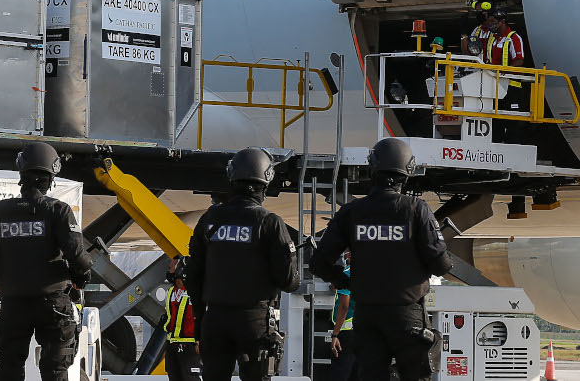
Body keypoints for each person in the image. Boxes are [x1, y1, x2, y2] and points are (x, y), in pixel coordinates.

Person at [311, 138, 453, 381]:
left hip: (367, 315)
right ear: (407, 172)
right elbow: (441, 264)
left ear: (372, 168)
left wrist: (345, 282)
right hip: (407, 314)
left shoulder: (352, 211)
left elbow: (319, 262)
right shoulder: (416, 209)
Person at [0, 142, 93, 381]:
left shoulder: (1, 211)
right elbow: (78, 257)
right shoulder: (58, 210)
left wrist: (6, 283)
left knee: (8, 369)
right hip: (52, 304)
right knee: (55, 371)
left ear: (22, 175)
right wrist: (80, 278)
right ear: (51, 178)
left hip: (13, 305)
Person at [185, 148, 300, 381]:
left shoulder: (210, 219)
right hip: (254, 321)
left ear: (231, 176)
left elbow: (193, 275)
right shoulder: (270, 223)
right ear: (267, 179)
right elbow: (289, 282)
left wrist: (200, 319)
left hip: (214, 319)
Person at [487, 8, 528, 141]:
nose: (490, 24)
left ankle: (513, 147)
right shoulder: (492, 39)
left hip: (511, 87)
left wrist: (505, 70)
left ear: (502, 21)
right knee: (495, 120)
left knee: (512, 121)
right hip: (494, 86)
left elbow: (519, 60)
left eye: (493, 21)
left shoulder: (513, 38)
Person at [163, 256, 202, 381]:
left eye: (171, 268)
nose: (169, 272)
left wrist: (199, 339)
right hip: (173, 344)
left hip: (190, 345)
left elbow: (204, 316)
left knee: (190, 377)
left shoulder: (195, 292)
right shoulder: (171, 292)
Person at [329, 251, 357, 381]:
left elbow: (344, 306)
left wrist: (335, 334)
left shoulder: (348, 273)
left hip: (346, 333)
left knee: (340, 374)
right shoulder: (369, 272)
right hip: (364, 332)